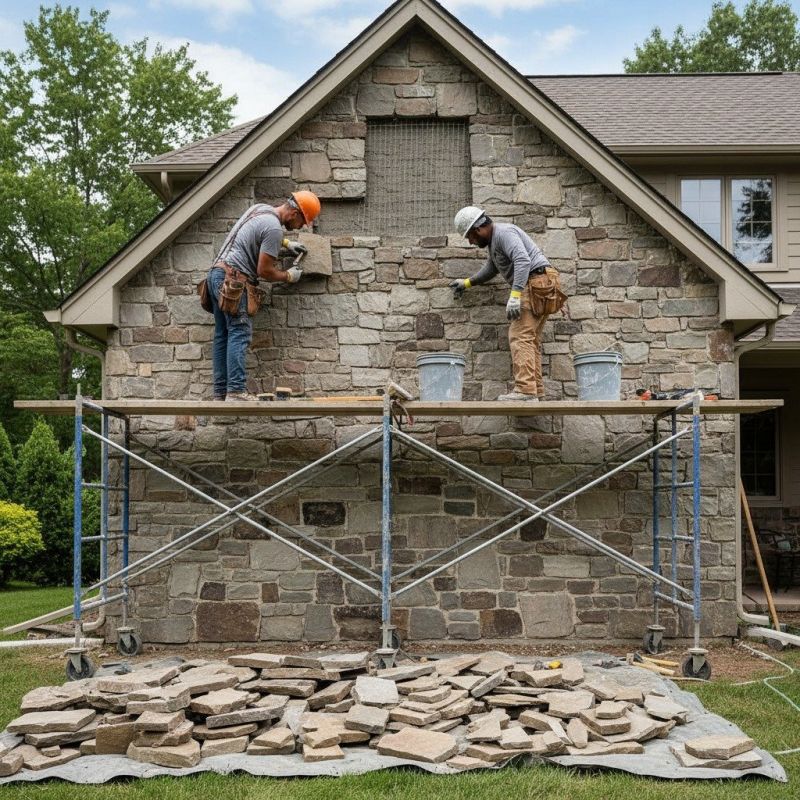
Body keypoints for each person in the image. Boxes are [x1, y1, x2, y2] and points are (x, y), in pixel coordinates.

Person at [207, 191, 321, 401]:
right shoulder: (274, 229)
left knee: (223, 334)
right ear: (294, 213)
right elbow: (264, 271)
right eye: (302, 221)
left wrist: (286, 244)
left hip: (216, 275)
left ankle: (220, 393)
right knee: (239, 332)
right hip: (234, 281)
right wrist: (288, 276)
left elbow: (257, 232)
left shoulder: (260, 209)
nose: (301, 227)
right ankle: (235, 392)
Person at [451, 206, 565, 401]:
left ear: (478, 229)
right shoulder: (495, 241)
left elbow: (522, 260)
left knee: (519, 336)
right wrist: (468, 283)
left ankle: (525, 391)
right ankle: (534, 389)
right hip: (541, 282)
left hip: (534, 282)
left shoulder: (504, 233)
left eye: (470, 236)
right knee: (530, 340)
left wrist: (515, 295)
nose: (470, 241)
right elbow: (492, 268)